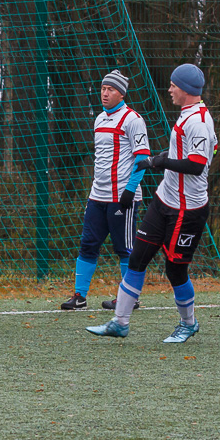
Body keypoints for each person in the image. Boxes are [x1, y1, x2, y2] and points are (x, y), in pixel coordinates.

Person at [85, 64, 216, 344]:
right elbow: (192, 151)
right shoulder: (187, 115)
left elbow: (196, 164)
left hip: (187, 209)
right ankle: (120, 322)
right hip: (164, 199)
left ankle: (188, 324)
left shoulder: (199, 121)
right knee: (137, 258)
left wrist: (158, 161)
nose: (169, 89)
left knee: (175, 269)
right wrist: (161, 159)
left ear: (186, 89)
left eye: (173, 85)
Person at [61, 71, 150, 311]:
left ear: (122, 93)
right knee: (87, 245)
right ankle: (79, 296)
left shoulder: (133, 119)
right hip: (97, 197)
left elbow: (142, 157)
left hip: (122, 198)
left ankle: (130, 297)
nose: (105, 93)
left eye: (110, 89)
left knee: (125, 248)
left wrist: (130, 190)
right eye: (103, 88)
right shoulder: (99, 119)